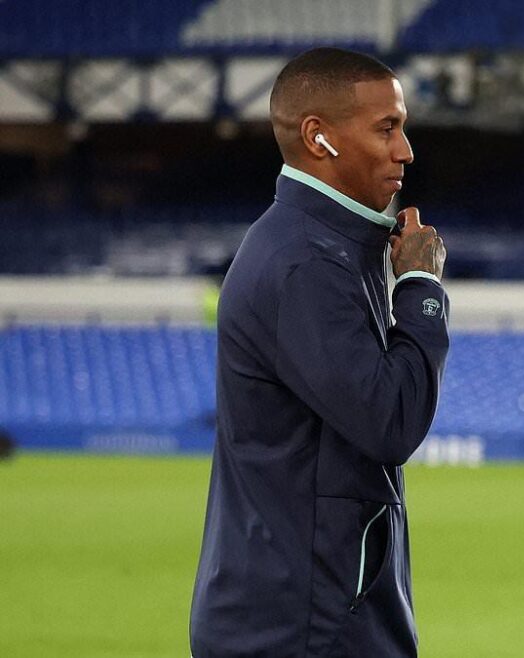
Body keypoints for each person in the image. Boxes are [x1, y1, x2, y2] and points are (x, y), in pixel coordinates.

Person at [190, 48, 449, 657]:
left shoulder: (323, 247)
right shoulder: (306, 264)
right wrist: (420, 290)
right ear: (319, 138)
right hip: (302, 628)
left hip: (304, 614)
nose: (405, 149)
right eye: (387, 128)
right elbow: (391, 420)